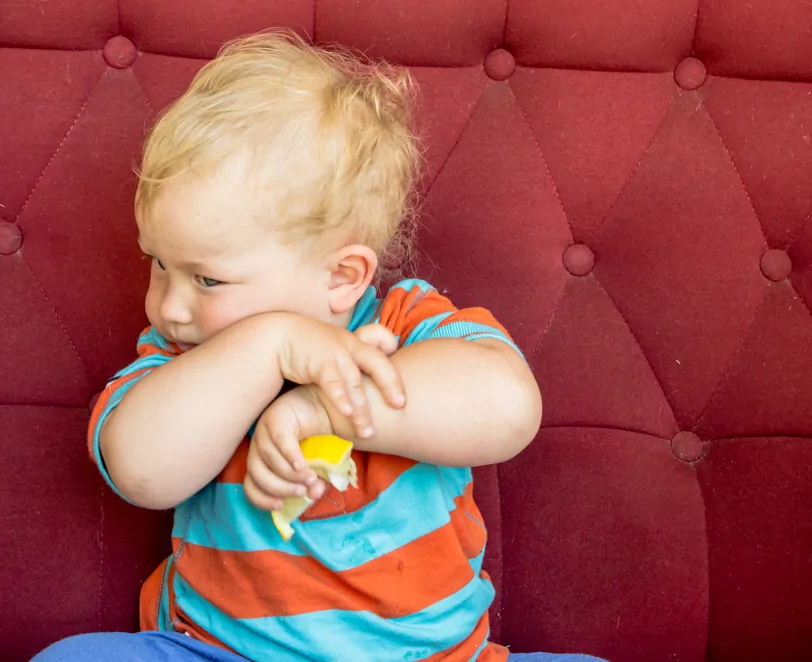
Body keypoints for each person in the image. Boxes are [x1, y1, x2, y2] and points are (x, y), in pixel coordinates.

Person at [33, 30, 605, 662]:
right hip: (222, 651)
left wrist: (319, 407)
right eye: (159, 265)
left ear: (342, 277)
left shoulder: (403, 324)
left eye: (207, 279)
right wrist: (268, 345)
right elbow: (139, 468)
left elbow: (507, 407)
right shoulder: (183, 355)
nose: (168, 304)